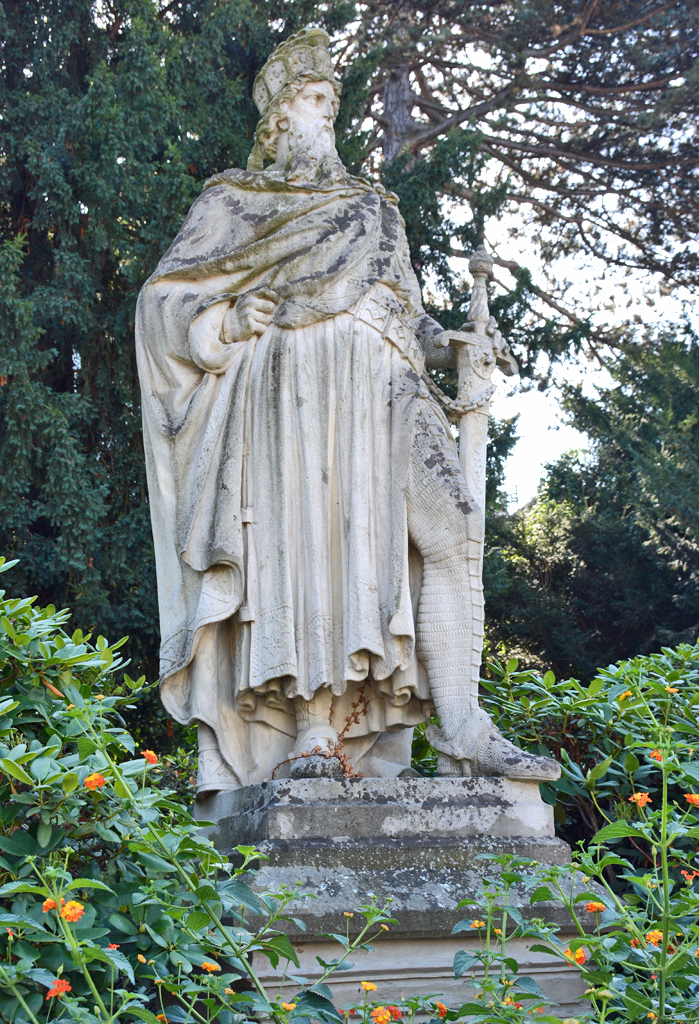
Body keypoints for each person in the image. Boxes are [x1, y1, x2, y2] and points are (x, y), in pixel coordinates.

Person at [136, 28, 559, 793]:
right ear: (276, 118)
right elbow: (163, 300)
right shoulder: (237, 202)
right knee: (318, 552)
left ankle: (463, 723)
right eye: (308, 99)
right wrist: (225, 323)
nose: (322, 111)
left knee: (456, 529)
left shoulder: (374, 208)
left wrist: (451, 340)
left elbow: (401, 306)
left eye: (329, 99)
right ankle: (314, 727)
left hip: (391, 381)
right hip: (297, 388)